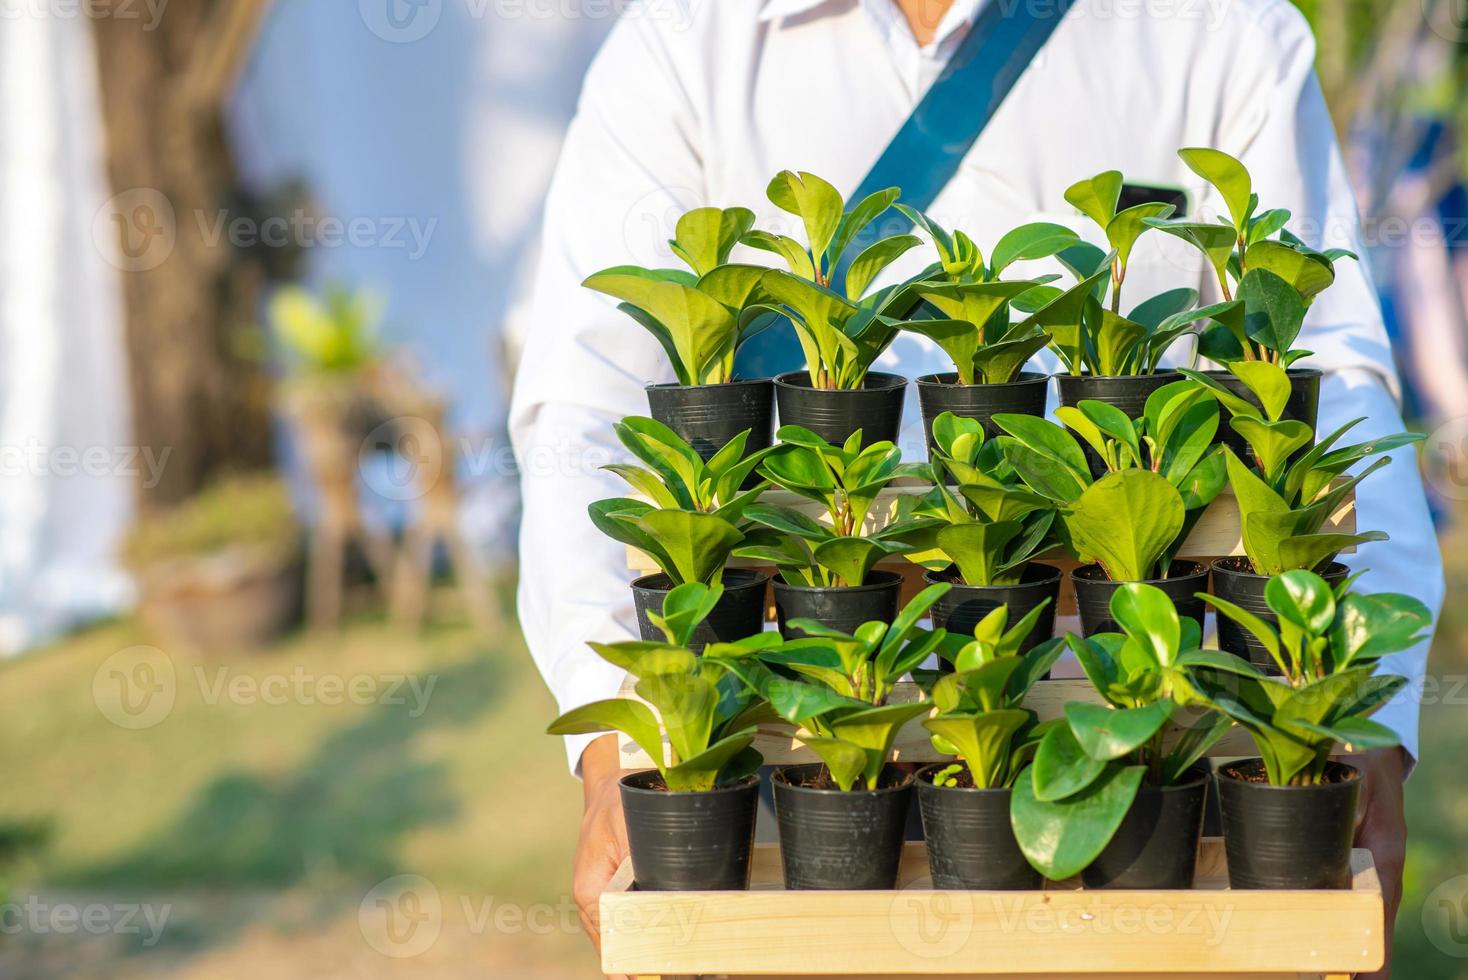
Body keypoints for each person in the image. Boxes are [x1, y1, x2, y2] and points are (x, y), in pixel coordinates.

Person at [508, 1, 1444, 975]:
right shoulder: (683, 39)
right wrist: (616, 723)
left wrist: (1373, 721)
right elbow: (582, 409)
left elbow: (1332, 380)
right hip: (782, 747)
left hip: (1158, 742)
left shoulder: (1221, 28)